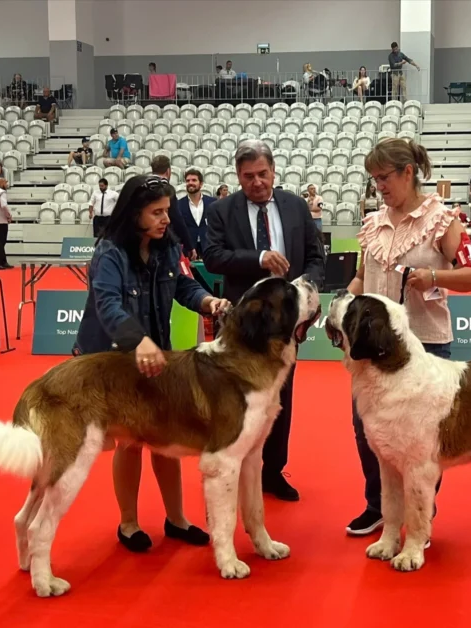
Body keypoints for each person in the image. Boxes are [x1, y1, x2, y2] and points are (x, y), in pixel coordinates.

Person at [74, 174, 230, 553]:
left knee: (166, 437)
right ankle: (128, 523)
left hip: (156, 356)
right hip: (111, 361)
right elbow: (107, 305)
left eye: (167, 211)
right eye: (156, 212)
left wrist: (208, 302)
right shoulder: (109, 253)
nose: (165, 219)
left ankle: (176, 518)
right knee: (130, 442)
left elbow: (183, 286)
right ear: (134, 214)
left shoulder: (166, 247)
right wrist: (137, 339)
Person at [345, 138, 471, 536]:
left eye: (384, 177)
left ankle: (420, 508)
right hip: (371, 350)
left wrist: (434, 277)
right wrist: (342, 303)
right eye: (374, 180)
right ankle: (378, 505)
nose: (380, 187)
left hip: (426, 346)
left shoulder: (444, 219)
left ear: (409, 173)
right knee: (367, 430)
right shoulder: (372, 224)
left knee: (423, 440)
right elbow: (360, 277)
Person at [203, 139, 325, 501]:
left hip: (285, 326)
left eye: (262, 174)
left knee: (278, 399)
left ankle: (272, 471)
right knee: (236, 401)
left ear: (273, 170)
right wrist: (258, 259)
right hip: (243, 325)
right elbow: (212, 257)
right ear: (238, 176)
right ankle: (233, 464)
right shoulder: (222, 210)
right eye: (248, 176)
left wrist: (306, 288)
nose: (256, 182)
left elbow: (317, 256)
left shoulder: (296, 206)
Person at [150, 155, 196, 260]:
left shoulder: (143, 186)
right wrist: (189, 245)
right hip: (164, 241)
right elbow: (176, 218)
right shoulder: (166, 189)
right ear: (168, 171)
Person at [178, 168, 216, 259]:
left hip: (208, 249)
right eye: (188, 181)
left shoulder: (213, 203)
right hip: (188, 250)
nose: (190, 182)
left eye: (194, 180)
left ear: (201, 184)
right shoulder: (178, 204)